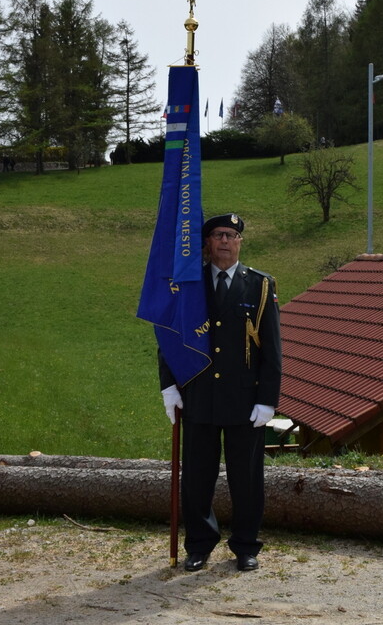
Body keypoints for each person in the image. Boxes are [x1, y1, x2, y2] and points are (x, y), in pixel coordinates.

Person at [158, 213, 282, 573]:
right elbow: (171, 339)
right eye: (217, 235)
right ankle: (199, 544)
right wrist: (169, 386)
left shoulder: (260, 285)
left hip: (244, 400)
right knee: (197, 478)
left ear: (240, 242)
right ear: (207, 243)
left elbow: (272, 348)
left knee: (247, 480)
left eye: (230, 235)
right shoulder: (189, 284)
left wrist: (267, 399)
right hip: (199, 395)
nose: (224, 241)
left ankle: (246, 545)